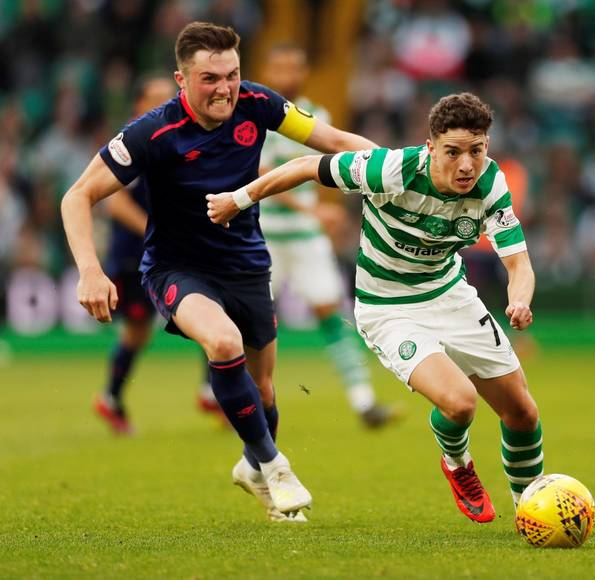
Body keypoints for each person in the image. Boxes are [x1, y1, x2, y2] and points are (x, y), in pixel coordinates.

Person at [61, 21, 377, 522]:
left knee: (265, 391)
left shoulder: (259, 104)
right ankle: (275, 467)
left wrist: (397, 166)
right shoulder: (151, 132)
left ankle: (252, 469)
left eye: (231, 74)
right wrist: (89, 271)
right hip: (177, 267)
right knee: (223, 344)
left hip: (247, 263)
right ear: (181, 79)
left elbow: (332, 139)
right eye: (210, 78)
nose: (225, 88)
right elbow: (77, 196)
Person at [207, 93, 543, 523]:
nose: (465, 165)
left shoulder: (491, 183)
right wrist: (239, 199)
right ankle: (458, 464)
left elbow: (518, 262)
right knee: (459, 404)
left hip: (450, 295)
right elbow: (306, 166)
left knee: (522, 411)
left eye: (476, 151)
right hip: (388, 308)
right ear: (430, 147)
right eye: (453, 152)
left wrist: (519, 299)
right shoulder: (391, 169)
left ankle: (530, 508)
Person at [259, 44, 397, 428]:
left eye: (294, 67)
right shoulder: (257, 117)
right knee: (249, 321)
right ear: (270, 72)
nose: (287, 74)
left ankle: (364, 402)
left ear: (302, 73)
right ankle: (228, 397)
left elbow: (325, 165)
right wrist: (314, 209)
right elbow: (262, 176)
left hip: (305, 238)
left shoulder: (316, 116)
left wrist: (326, 210)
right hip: (265, 235)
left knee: (331, 313)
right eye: (280, 66)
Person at [93, 76, 224, 435]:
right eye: (153, 98)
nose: (162, 104)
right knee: (138, 332)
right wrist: (159, 227)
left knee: (207, 310)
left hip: (173, 251)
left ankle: (211, 391)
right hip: (136, 254)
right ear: (138, 105)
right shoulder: (134, 143)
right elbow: (116, 204)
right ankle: (112, 397)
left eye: (168, 97)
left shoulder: (181, 137)